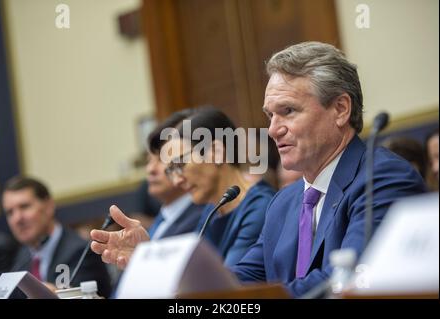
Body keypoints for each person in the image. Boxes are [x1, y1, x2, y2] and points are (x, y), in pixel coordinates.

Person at [89, 42, 425, 297]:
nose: (272, 130)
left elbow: (344, 280)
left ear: (339, 108)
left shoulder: (382, 178)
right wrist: (155, 264)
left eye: (288, 111)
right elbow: (233, 285)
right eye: (269, 115)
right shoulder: (285, 202)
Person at [91, 107, 276, 267]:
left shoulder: (260, 207)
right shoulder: (212, 210)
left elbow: (230, 290)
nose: (177, 180)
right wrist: (146, 252)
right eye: (171, 170)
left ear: (216, 153)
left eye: (180, 165)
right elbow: (191, 275)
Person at [2, 176, 112, 298]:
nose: (17, 218)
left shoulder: (81, 253)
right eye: (10, 212)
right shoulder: (21, 257)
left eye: (24, 206)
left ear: (49, 206)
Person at [145, 110, 207, 240]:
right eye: (149, 160)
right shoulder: (162, 217)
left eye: (162, 159)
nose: (150, 169)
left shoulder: (204, 218)